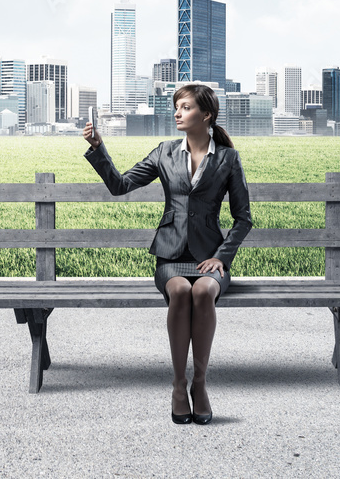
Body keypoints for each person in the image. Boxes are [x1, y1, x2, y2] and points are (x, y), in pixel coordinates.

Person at [82, 83, 252, 425]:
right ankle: (178, 385)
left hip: (210, 258)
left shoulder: (228, 159)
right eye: (177, 107)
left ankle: (199, 385)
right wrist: (98, 147)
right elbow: (120, 185)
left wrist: (223, 257)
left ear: (206, 115)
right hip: (170, 257)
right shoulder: (164, 152)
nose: (177, 112)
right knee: (180, 290)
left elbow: (243, 217)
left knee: (202, 290)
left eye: (185, 107)